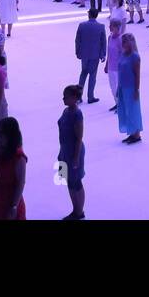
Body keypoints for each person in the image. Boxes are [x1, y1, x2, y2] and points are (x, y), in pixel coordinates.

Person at [0, 116, 28, 220]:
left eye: (2, 134)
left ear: (11, 136)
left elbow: (20, 183)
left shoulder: (19, 157)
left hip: (12, 202)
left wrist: (14, 206)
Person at [58, 86, 86, 220]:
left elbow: (79, 138)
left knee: (76, 181)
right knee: (69, 181)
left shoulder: (77, 114)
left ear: (75, 98)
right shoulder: (66, 111)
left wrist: (76, 157)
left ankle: (79, 211)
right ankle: (75, 209)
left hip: (74, 152)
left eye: (66, 96)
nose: (63, 98)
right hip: (65, 151)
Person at [75, 7, 107, 103]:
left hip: (84, 54)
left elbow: (77, 40)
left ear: (89, 14)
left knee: (83, 74)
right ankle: (90, 96)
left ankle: (78, 96)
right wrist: (103, 54)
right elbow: (103, 42)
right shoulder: (101, 27)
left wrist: (78, 52)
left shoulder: (82, 25)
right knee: (92, 76)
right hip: (95, 54)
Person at [117, 33, 143, 144]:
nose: (123, 44)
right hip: (123, 87)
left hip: (131, 88)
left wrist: (136, 90)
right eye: (122, 42)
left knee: (133, 110)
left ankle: (136, 134)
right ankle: (131, 132)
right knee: (125, 110)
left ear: (131, 42)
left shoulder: (135, 57)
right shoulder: (123, 54)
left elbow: (137, 75)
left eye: (125, 41)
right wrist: (119, 87)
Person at [104, 18, 123, 111]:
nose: (109, 27)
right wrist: (106, 64)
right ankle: (117, 103)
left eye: (111, 26)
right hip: (111, 67)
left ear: (116, 27)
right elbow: (109, 52)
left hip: (118, 68)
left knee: (119, 88)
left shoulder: (121, 39)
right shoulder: (109, 37)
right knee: (113, 88)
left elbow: (124, 55)